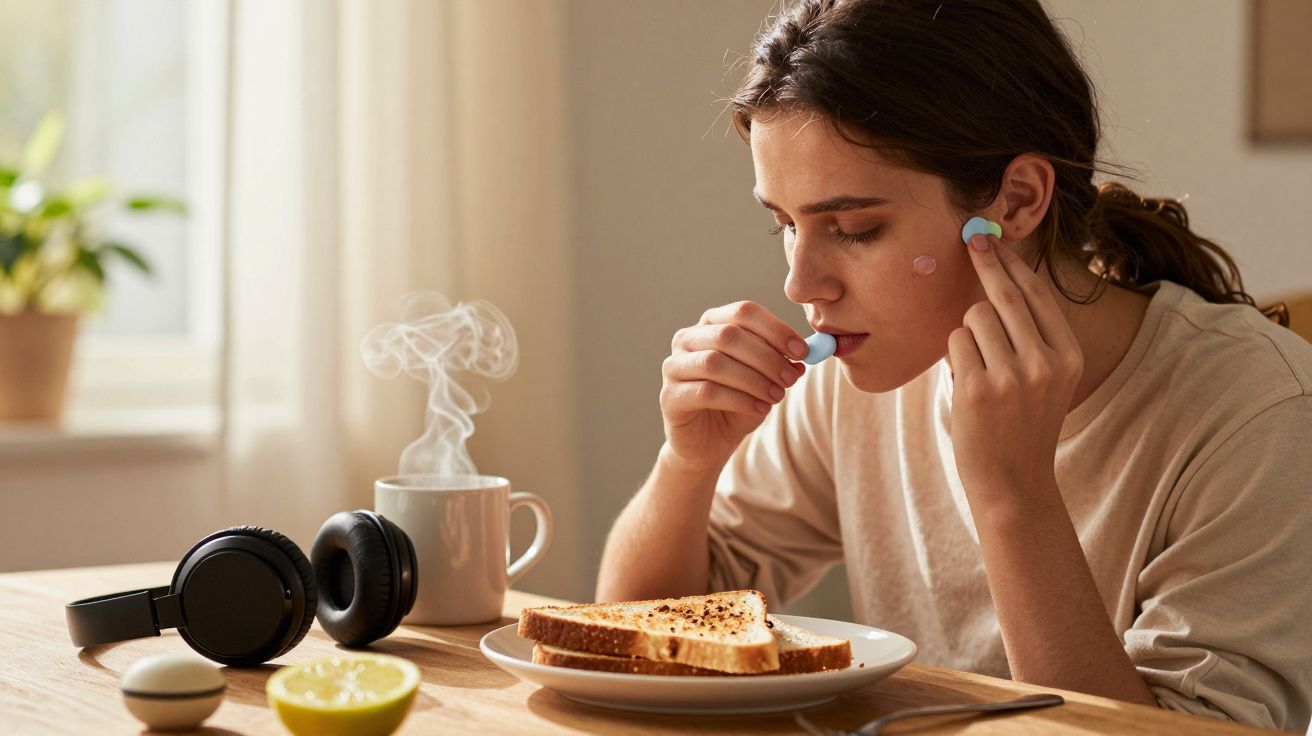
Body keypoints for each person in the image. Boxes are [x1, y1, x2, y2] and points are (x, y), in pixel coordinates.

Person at [595, 0, 1312, 730]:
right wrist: (689, 462)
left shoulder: (1258, 413)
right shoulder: (856, 375)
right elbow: (635, 642)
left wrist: (1012, 491)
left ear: (1018, 199)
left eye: (853, 229)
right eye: (785, 224)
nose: (801, 284)